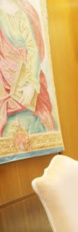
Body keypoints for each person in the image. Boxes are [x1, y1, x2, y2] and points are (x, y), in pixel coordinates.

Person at [0, 0, 57, 138]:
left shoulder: (19, 12)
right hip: (3, 76)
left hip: (24, 71)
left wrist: (32, 83)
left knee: (37, 118)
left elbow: (33, 48)